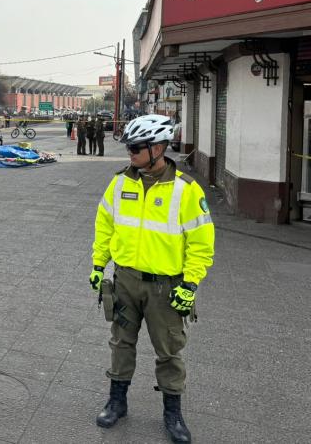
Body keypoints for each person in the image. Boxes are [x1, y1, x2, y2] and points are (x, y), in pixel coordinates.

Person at [90, 114, 214, 444]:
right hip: (126, 281)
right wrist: (99, 265)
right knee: (120, 342)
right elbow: (105, 226)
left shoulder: (186, 191)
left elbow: (202, 243)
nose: (129, 152)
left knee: (169, 351)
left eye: (135, 147)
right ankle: (117, 402)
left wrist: (190, 283)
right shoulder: (120, 183)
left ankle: (173, 414)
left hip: (167, 286)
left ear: (158, 148)